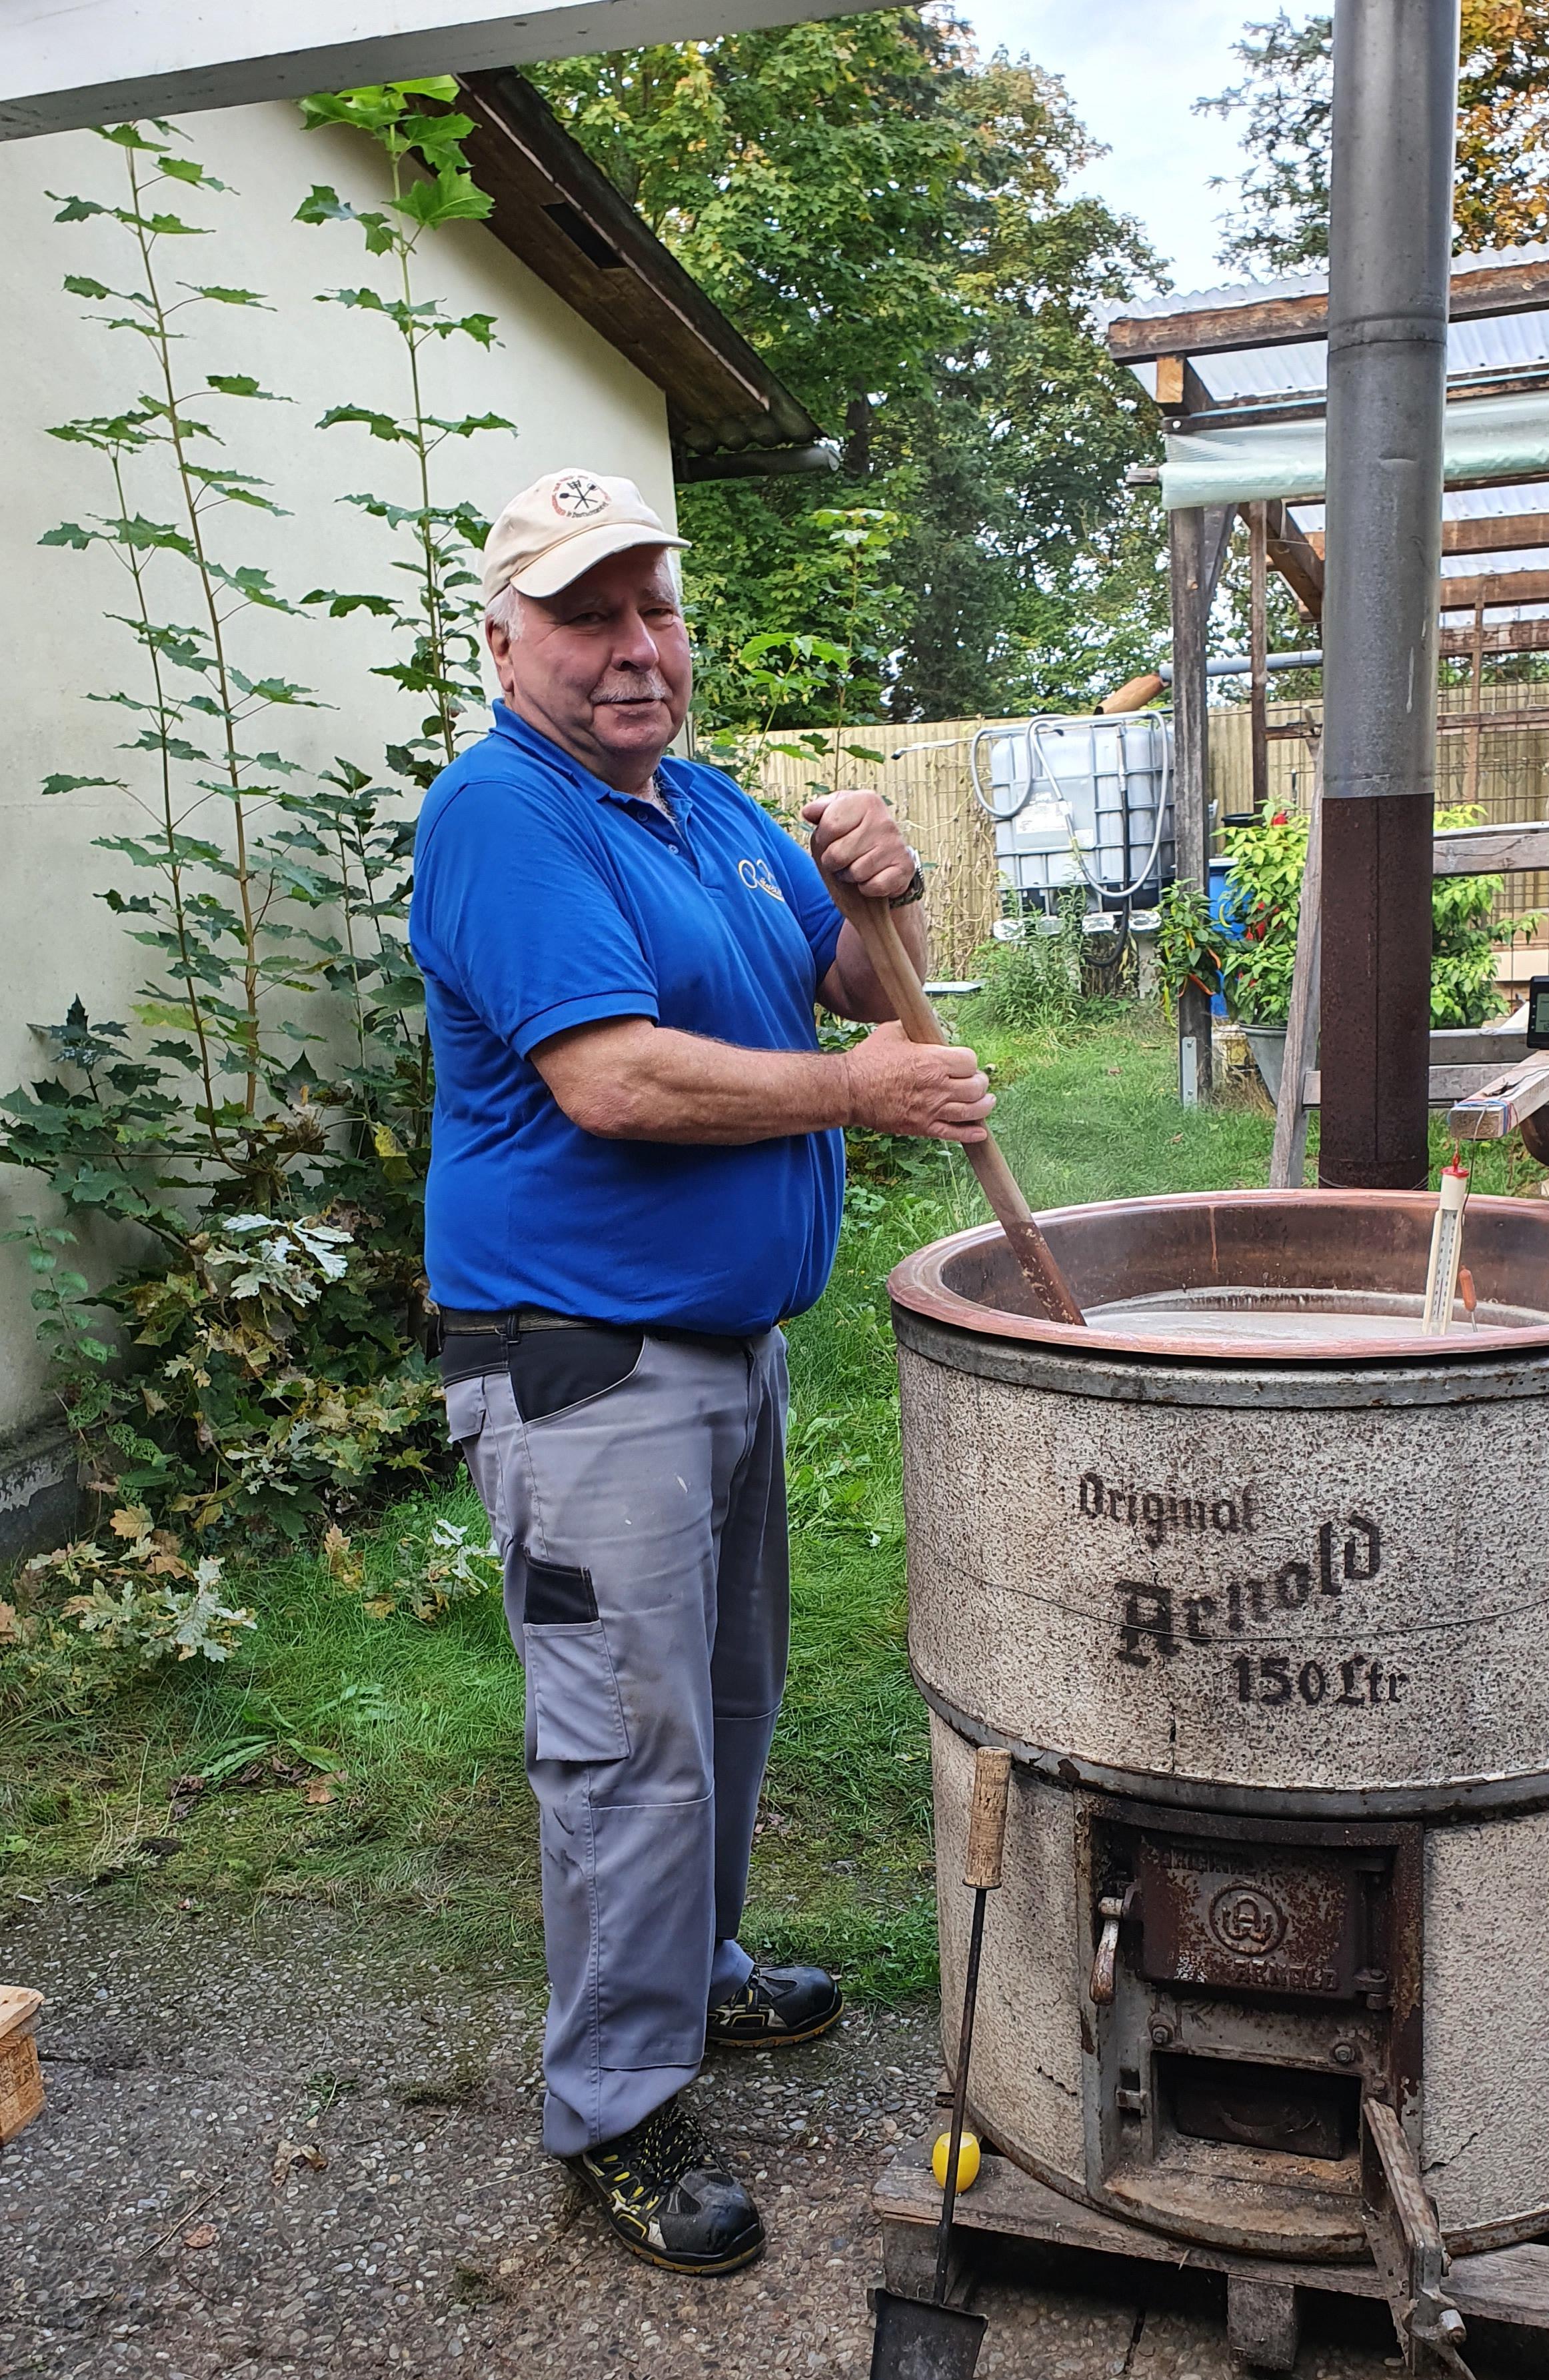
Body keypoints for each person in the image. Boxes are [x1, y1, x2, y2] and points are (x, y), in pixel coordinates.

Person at [410, 468, 993, 2276]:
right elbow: (616, 1080)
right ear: (507, 640)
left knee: (718, 1716)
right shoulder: (507, 817)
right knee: (624, 1748)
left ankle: (698, 1978)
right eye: (590, 616)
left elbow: (832, 968)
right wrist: (858, 1092)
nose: (635, 646)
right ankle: (611, 2104)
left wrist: (881, 890)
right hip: (584, 1370)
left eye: (653, 608)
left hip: (717, 1355)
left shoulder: (699, 802)